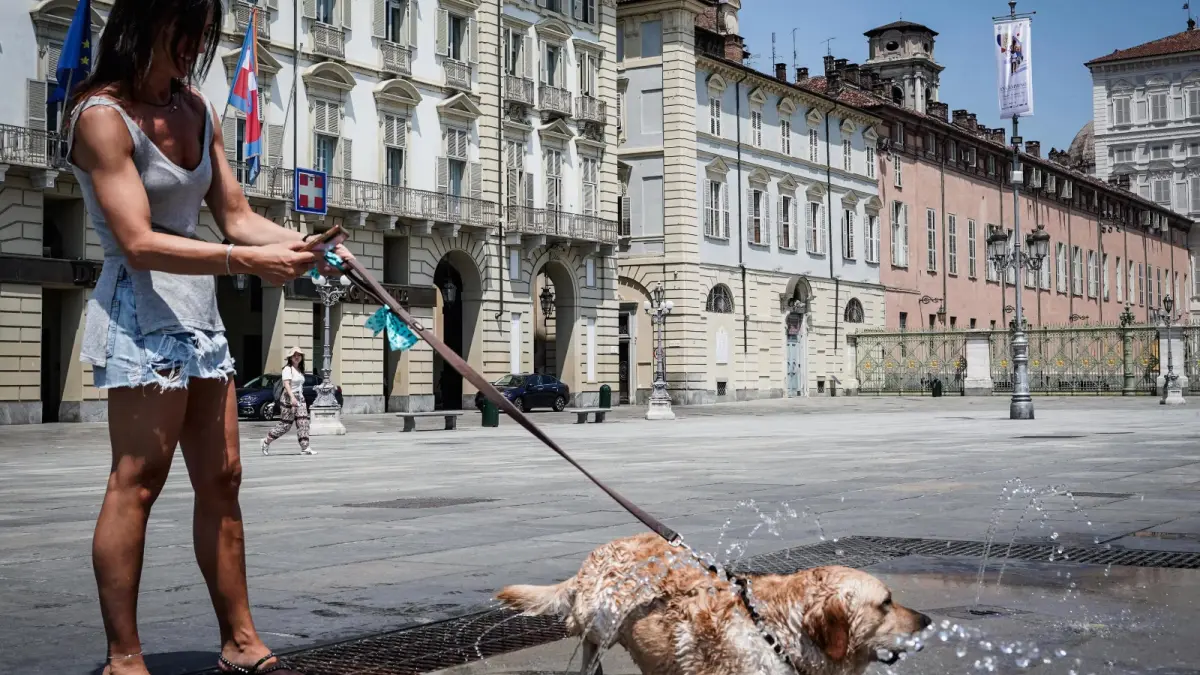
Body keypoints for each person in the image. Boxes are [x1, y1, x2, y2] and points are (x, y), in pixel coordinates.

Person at [67, 1, 352, 673]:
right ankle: (124, 656)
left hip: (199, 317)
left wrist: (306, 245)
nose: (196, 47)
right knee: (138, 479)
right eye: (186, 32)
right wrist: (245, 261)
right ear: (145, 23)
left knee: (223, 477)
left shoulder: (196, 109)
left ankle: (241, 641)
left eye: (203, 35)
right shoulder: (101, 117)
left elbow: (236, 215)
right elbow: (137, 241)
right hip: (140, 314)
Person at [260, 348, 313, 455]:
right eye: (294, 355)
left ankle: (305, 447)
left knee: (303, 422)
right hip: (288, 397)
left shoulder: (299, 369)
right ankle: (266, 441)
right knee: (286, 425)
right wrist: (292, 397)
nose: (297, 357)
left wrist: (299, 398)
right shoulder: (287, 369)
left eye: (299, 355)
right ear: (290, 358)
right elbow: (286, 384)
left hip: (300, 398)